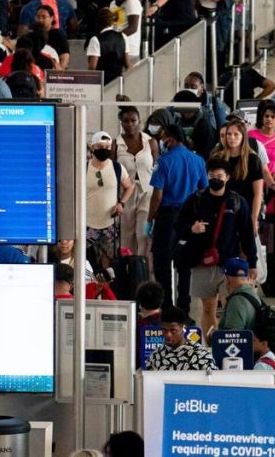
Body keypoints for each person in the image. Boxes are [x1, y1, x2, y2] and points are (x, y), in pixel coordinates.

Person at [176, 159, 255, 337]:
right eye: (212, 176)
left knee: (232, 307)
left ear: (227, 178)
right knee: (207, 308)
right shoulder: (195, 199)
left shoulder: (237, 201)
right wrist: (192, 228)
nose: (215, 179)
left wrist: (252, 262)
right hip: (202, 262)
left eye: (219, 176)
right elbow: (178, 225)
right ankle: (211, 347)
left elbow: (247, 234)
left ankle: (229, 344)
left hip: (230, 264)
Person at [148, 124, 209, 314]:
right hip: (190, 216)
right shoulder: (198, 160)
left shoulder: (164, 161)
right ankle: (184, 307)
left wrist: (150, 218)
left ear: (171, 139)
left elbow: (157, 195)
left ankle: (166, 306)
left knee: (163, 261)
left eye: (164, 138)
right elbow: (203, 190)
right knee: (185, 262)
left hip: (168, 217)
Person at [87, 131, 135, 274]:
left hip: (109, 224)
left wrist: (121, 203)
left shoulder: (117, 168)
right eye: (100, 146)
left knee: (109, 260)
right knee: (85, 258)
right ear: (92, 147)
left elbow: (129, 187)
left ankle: (107, 290)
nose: (104, 149)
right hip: (87, 224)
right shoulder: (83, 168)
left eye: (107, 147)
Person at [115, 106, 159, 260]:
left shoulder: (151, 142)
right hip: (125, 194)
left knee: (143, 235)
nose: (130, 124)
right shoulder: (117, 144)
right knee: (126, 235)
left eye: (133, 120)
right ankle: (127, 268)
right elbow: (113, 172)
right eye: (126, 121)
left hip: (147, 193)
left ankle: (142, 268)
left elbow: (157, 167)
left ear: (139, 121)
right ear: (121, 123)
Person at [144, 306, 217, 370]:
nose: (168, 335)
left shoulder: (200, 355)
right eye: (164, 330)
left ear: (183, 328)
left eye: (173, 330)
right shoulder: (156, 356)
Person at [87, 7, 131, 81]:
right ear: (112, 21)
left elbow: (92, 68)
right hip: (117, 83)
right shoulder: (123, 37)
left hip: (102, 83)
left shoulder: (95, 40)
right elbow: (128, 64)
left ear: (98, 22)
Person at [218, 257, 260, 331]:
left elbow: (232, 337)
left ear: (227, 279)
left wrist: (213, 337)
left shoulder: (236, 302)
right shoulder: (253, 294)